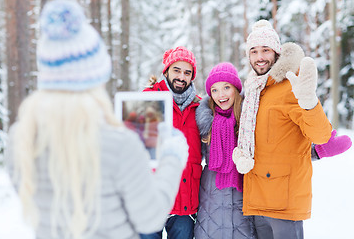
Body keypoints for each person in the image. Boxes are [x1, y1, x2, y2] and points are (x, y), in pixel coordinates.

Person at [4, 0, 189, 239]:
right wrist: (172, 157)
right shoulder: (119, 144)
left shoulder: (21, 137)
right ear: (96, 78)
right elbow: (150, 217)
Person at [232, 19, 352, 239]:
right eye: (254, 51)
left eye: (266, 50)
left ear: (276, 52)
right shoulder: (253, 90)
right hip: (257, 200)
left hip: (284, 203)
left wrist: (308, 101)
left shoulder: (290, 86)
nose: (260, 57)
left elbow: (320, 135)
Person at [140, 46, 202, 239]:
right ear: (166, 70)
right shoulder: (148, 100)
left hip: (185, 201)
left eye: (187, 72)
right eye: (177, 70)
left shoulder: (200, 107)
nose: (181, 77)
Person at [194, 62, 256, 239]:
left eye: (226, 87)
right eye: (214, 90)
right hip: (210, 204)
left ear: (236, 89)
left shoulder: (249, 121)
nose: (220, 95)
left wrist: (314, 150)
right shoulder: (204, 123)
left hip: (242, 200)